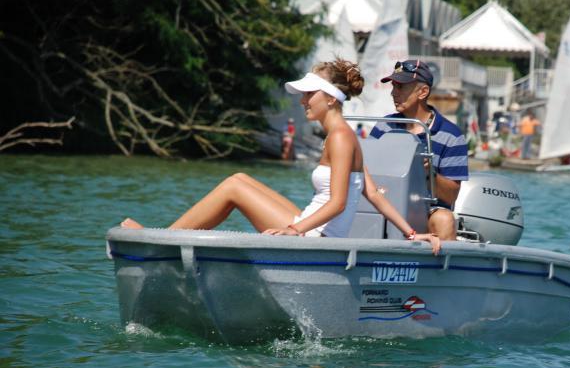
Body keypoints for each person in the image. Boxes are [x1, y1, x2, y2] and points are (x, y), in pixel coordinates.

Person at [121, 58, 440, 254]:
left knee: (234, 187)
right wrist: (412, 233)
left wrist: (295, 231)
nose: (303, 101)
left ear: (331, 99)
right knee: (239, 178)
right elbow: (372, 193)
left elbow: (339, 203)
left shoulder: (341, 137)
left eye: (309, 94)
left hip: (315, 236)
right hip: (312, 228)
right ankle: (168, 240)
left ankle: (160, 243)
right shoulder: (344, 135)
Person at [369, 59, 469, 241]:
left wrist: (428, 173)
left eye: (400, 87)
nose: (393, 93)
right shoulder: (383, 126)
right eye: (393, 86)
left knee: (444, 219)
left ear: (423, 92)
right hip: (383, 203)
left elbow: (451, 196)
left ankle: (441, 260)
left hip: (426, 212)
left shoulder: (452, 136)